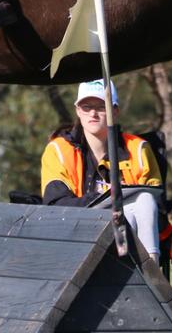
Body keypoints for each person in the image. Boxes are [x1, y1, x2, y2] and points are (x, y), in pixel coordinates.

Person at [40, 80, 164, 262]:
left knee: (144, 200)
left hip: (129, 221)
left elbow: (158, 206)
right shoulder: (58, 150)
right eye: (86, 107)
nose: (93, 113)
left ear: (115, 111)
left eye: (101, 107)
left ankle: (152, 273)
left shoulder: (138, 148)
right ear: (77, 111)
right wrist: (104, 196)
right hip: (79, 227)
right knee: (121, 213)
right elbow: (56, 206)